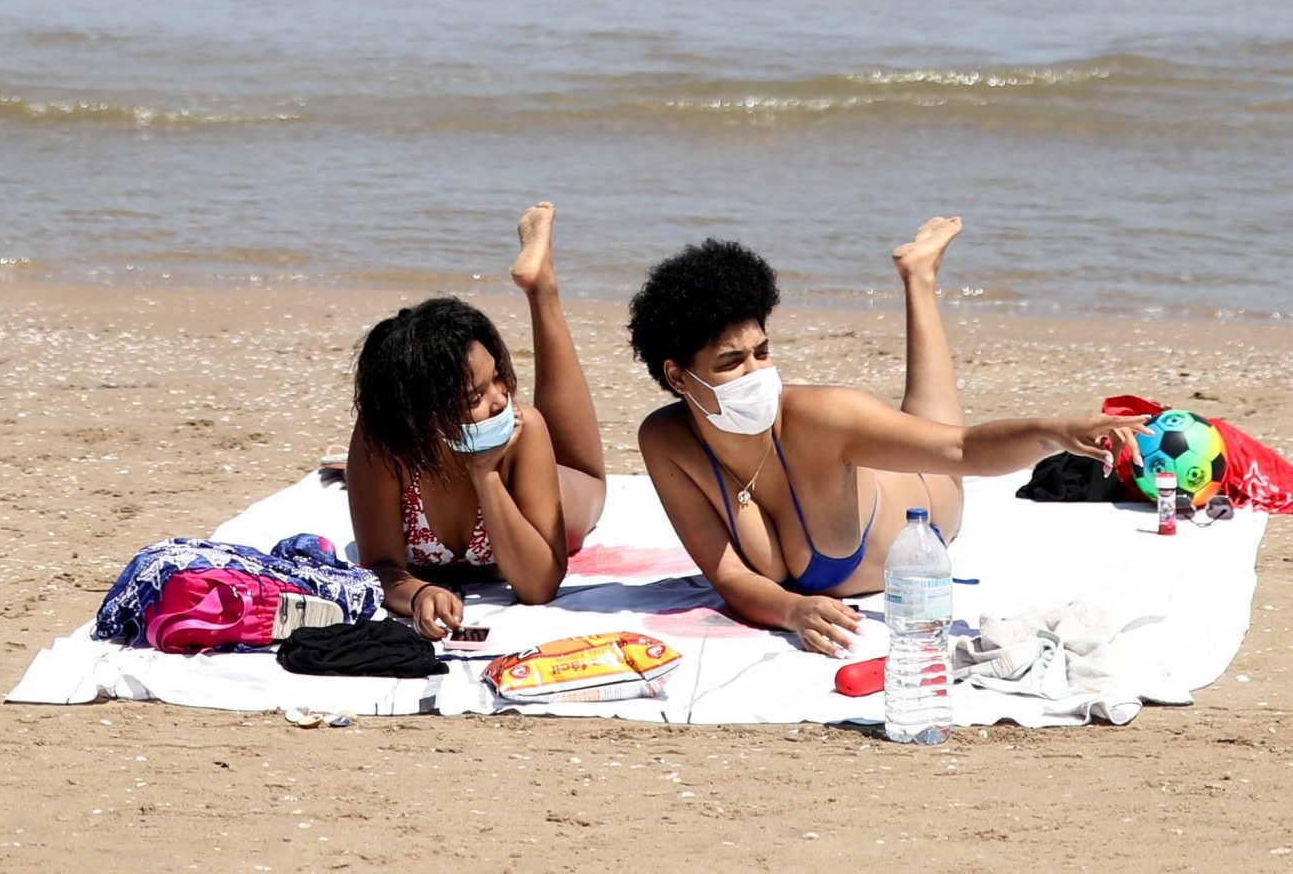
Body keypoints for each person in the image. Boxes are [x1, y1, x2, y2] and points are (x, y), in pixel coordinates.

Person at [631, 215, 1135, 657]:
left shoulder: (824, 415)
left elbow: (963, 449)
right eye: (731, 362)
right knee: (921, 418)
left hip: (926, 501)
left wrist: (1053, 431)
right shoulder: (667, 440)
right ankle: (918, 272)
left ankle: (920, 278)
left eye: (762, 352)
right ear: (678, 377)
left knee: (935, 433)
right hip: (852, 480)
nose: (756, 373)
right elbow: (731, 578)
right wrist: (791, 611)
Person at [347, 202, 606, 638]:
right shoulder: (383, 442)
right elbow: (382, 566)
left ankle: (542, 289)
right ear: (417, 414)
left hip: (540, 479)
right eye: (474, 396)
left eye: (499, 379)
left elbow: (539, 586)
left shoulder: (522, 425)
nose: (501, 398)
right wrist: (416, 592)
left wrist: (485, 474)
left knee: (584, 475)